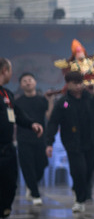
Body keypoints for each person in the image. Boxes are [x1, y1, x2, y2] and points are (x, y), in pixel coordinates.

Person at [45, 71, 94, 213]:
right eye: (75, 83)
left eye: (81, 83)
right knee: (78, 170)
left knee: (88, 170)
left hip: (92, 142)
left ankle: (79, 190)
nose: (79, 86)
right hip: (73, 143)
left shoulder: (90, 98)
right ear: (68, 84)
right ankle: (80, 201)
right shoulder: (63, 102)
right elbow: (53, 123)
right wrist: (49, 142)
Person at [1, 59, 45, 219]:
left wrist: (31, 124)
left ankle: (4, 215)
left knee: (10, 183)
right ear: (5, 70)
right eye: (10, 70)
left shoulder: (7, 95)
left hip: (7, 147)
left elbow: (18, 115)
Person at [14, 72, 50, 206]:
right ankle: (35, 195)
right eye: (24, 81)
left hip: (40, 138)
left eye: (30, 80)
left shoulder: (42, 100)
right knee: (27, 166)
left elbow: (50, 117)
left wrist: (50, 101)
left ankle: (31, 185)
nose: (28, 82)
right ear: (21, 85)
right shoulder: (17, 102)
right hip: (23, 139)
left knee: (42, 164)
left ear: (35, 82)